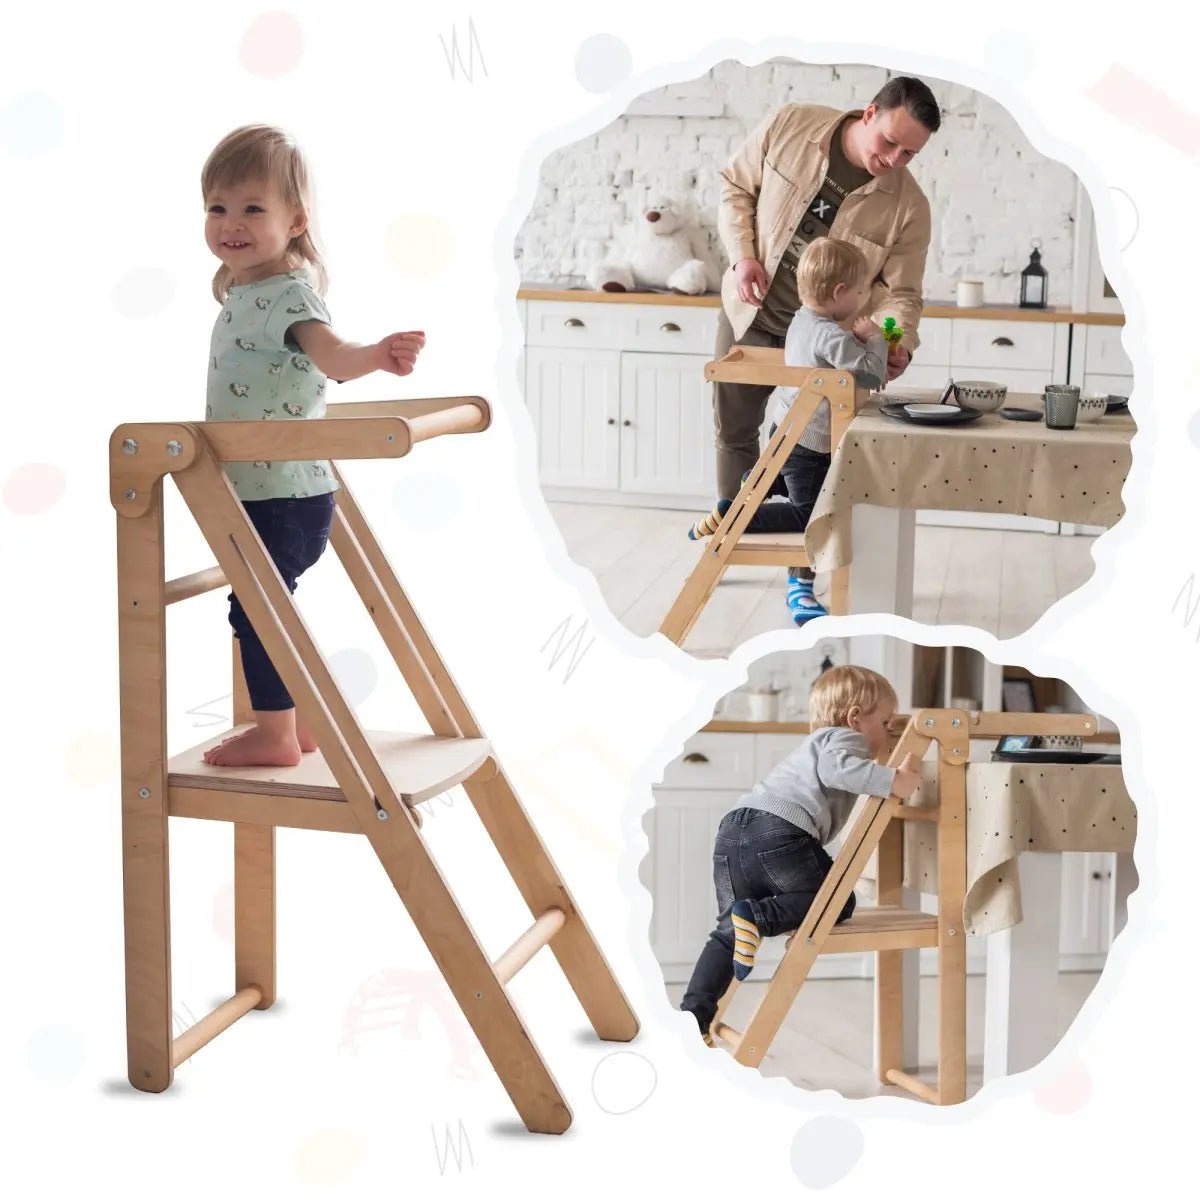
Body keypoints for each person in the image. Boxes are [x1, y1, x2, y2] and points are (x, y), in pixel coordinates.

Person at [199, 124, 425, 768]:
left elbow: (333, 356)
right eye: (217, 207)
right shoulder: (245, 291)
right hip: (266, 488)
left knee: (257, 609)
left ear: (295, 221)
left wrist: (377, 356)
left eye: (251, 208)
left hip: (282, 494)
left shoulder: (288, 295)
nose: (230, 223)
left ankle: (275, 733)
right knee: (267, 606)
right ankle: (299, 722)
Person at [711, 76, 940, 611]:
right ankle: (731, 541)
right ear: (868, 114)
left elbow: (900, 296)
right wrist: (743, 255)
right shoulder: (790, 124)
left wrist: (892, 341)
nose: (895, 159)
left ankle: (800, 571)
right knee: (736, 435)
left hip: (826, 346)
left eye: (911, 153)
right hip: (751, 314)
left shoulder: (910, 207)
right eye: (889, 143)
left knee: (813, 459)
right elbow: (735, 185)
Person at [680, 665, 920, 1044]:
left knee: (727, 932)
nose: (888, 731)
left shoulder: (813, 743)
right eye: (886, 721)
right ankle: (759, 917)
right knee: (838, 901)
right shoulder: (844, 738)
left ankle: (692, 1020)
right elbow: (838, 771)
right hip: (781, 827)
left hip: (733, 830)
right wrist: (895, 781)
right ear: (856, 716)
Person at [689, 238, 888, 624]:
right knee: (807, 516)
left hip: (785, 432)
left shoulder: (801, 320)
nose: (864, 301)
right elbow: (872, 373)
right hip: (810, 446)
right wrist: (875, 339)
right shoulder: (831, 335)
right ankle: (735, 514)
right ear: (839, 293)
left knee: (787, 477)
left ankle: (755, 482)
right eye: (862, 291)